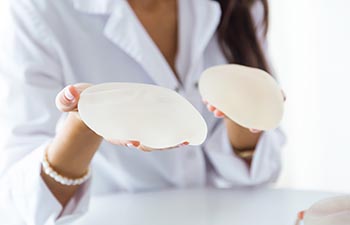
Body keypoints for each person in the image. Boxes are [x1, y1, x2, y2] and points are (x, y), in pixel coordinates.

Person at [0, 0, 285, 224]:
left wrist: (246, 111)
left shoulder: (240, 6)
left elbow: (260, 173)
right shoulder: (38, 10)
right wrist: (84, 123)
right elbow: (25, 206)